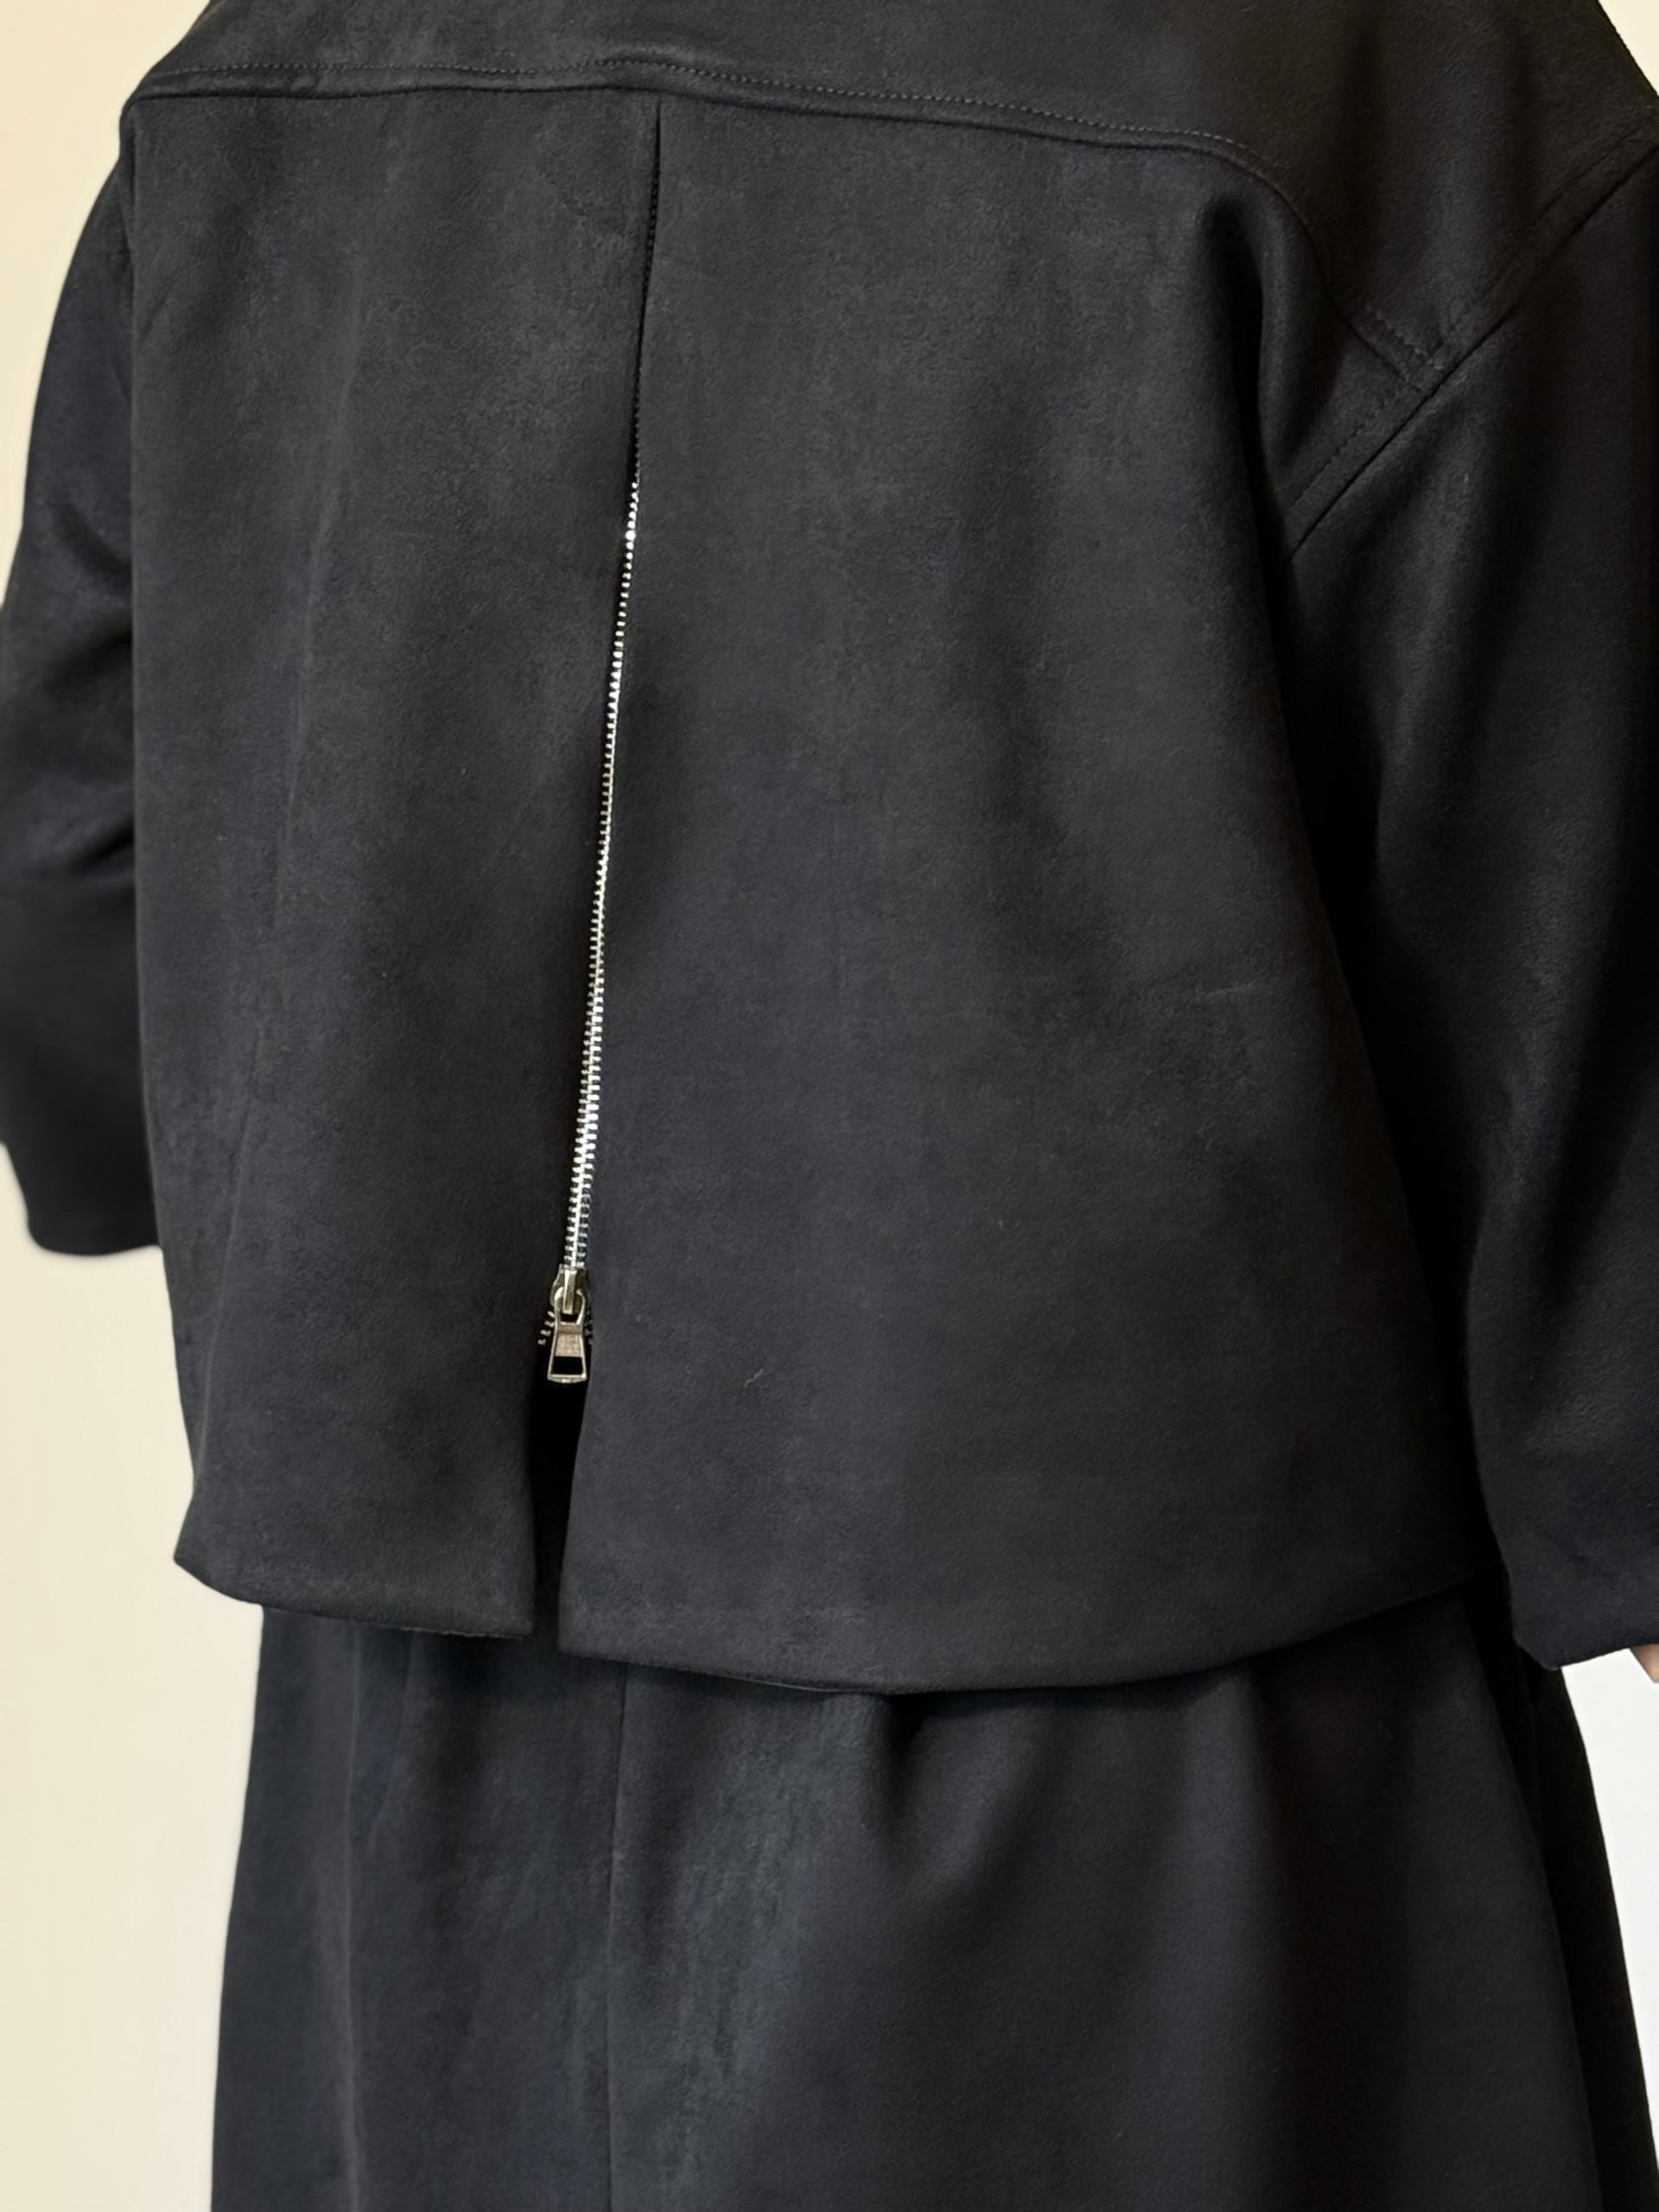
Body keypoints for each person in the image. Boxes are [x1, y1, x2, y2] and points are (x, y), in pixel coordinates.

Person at [3, 1, 1659, 2205]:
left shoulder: (274, 67)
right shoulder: (1396, 70)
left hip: (409, 1827)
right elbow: (1599, 950)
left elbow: (83, 911)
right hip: (1203, 1823)